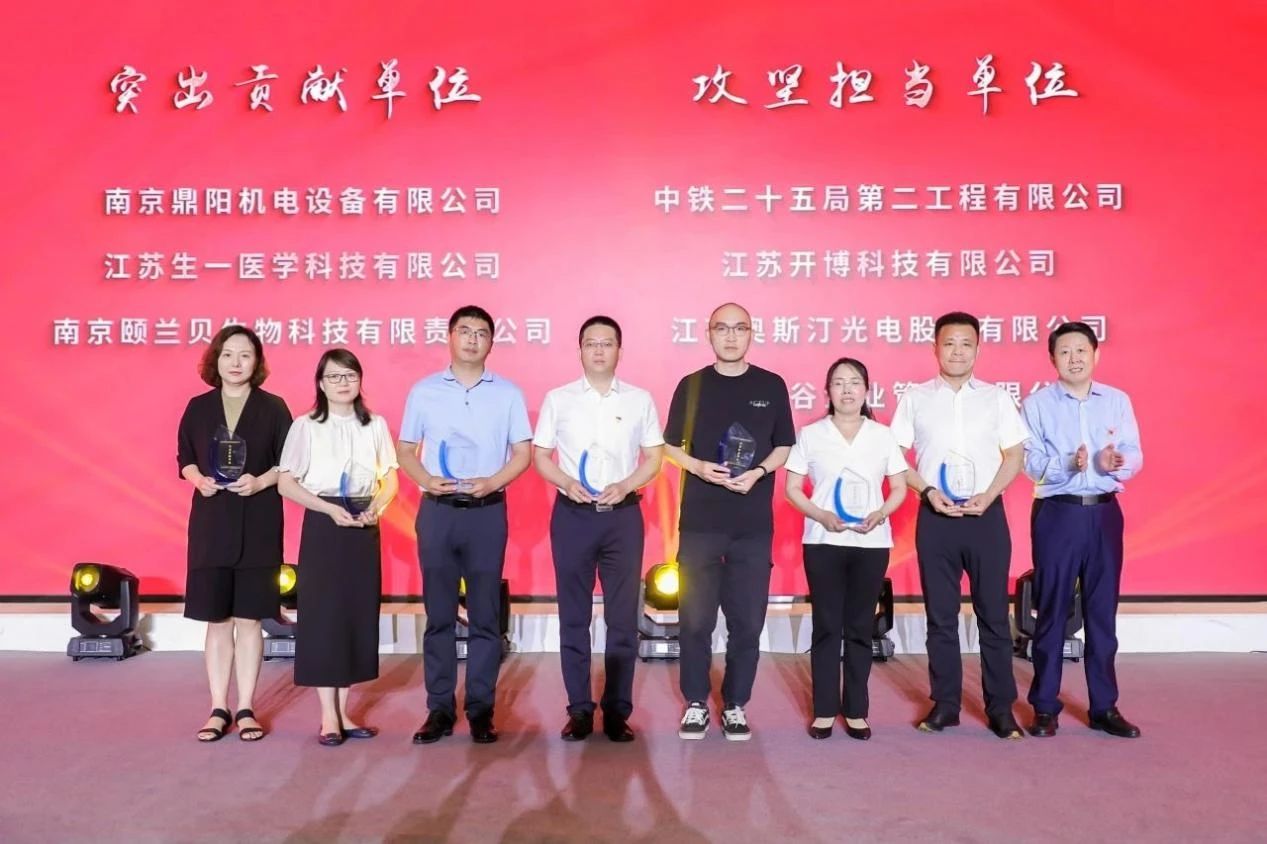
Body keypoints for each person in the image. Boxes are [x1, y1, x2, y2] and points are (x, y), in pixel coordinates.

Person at [890, 311, 1029, 740]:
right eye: (949, 343)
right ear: (935, 347)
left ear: (978, 349)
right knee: (941, 617)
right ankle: (946, 704)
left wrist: (990, 494)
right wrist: (928, 492)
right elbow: (895, 459)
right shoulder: (915, 398)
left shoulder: (996, 398)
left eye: (966, 344)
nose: (957, 351)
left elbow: (1015, 456)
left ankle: (1001, 707)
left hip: (986, 518)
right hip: (937, 518)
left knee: (994, 616)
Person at [397, 305, 532, 745]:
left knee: (484, 617)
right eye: (465, 331)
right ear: (450, 337)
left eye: (481, 333)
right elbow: (405, 449)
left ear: (492, 341)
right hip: (438, 511)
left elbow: (523, 453)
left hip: (487, 512)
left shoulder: (508, 394)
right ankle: (438, 708)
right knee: (438, 615)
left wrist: (492, 481)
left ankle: (480, 709)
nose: (473, 339)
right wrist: (425, 479)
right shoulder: (424, 391)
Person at [663, 302, 795, 741]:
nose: (732, 336)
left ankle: (736, 703)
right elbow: (670, 447)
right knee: (695, 620)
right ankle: (696, 702)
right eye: (723, 328)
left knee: (747, 622)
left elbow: (784, 445)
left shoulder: (771, 385)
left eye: (740, 328)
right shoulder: (692, 385)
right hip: (700, 522)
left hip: (751, 524)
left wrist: (759, 472)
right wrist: (699, 468)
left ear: (752, 333)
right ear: (709, 333)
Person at [532, 316, 665, 742]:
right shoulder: (559, 399)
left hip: (622, 517)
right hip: (573, 517)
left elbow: (654, 457)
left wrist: (626, 484)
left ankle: (616, 711)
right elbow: (540, 455)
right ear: (580, 350)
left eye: (607, 343)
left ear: (619, 351)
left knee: (622, 619)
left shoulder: (640, 400)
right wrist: (564, 481)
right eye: (591, 343)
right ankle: (579, 710)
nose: (599, 350)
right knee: (574, 617)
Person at [1021, 322, 1143, 738]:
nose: (1074, 358)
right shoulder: (1037, 404)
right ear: (1052, 358)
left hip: (1104, 513)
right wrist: (1067, 465)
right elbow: (1030, 461)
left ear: (1096, 354)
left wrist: (1116, 463)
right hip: (1058, 512)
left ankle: (1104, 706)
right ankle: (1044, 706)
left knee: (1101, 612)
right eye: (1064, 351)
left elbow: (1134, 451)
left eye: (1081, 350)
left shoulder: (1117, 401)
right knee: (1052, 609)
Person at [176, 325, 292, 743]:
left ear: (257, 361)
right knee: (218, 619)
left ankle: (245, 707)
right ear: (216, 360)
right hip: (212, 522)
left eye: (245, 355)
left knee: (249, 619)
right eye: (228, 354)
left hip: (259, 521)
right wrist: (198, 479)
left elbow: (288, 464)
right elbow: (185, 457)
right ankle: (217, 707)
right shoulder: (198, 407)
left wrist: (260, 482)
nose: (236, 362)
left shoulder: (274, 408)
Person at [278, 349, 399, 746]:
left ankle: (345, 712)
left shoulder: (374, 424)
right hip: (324, 524)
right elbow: (287, 483)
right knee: (324, 617)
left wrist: (377, 507)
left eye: (350, 375)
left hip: (363, 524)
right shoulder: (306, 426)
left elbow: (390, 478)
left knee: (354, 615)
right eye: (334, 376)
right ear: (321, 383)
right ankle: (328, 715)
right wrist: (329, 509)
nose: (343, 383)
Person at [784, 358, 908, 740]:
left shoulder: (882, 436)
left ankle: (856, 710)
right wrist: (820, 515)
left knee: (859, 627)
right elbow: (792, 489)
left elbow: (899, 487)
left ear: (866, 390)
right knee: (826, 626)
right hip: (823, 542)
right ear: (828, 392)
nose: (847, 390)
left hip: (871, 543)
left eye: (854, 382)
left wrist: (881, 513)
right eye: (838, 383)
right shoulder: (811, 435)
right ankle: (824, 710)